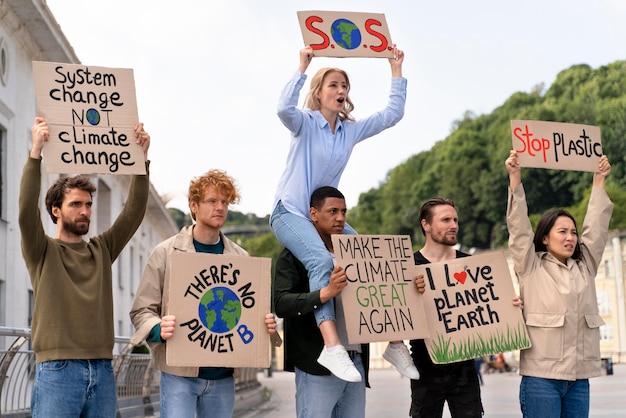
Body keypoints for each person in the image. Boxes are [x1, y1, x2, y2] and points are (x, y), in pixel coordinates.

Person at [270, 44, 417, 382]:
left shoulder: (350, 130)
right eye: (333, 85)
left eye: (345, 86)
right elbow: (282, 108)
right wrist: (302, 66)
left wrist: (396, 70)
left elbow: (392, 115)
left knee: (375, 258)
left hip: (323, 214)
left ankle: (395, 343)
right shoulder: (304, 122)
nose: (341, 91)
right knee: (322, 262)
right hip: (290, 212)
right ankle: (332, 345)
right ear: (318, 93)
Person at [19, 117, 151, 417]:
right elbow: (26, 212)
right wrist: (35, 153)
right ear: (56, 210)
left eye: (88, 204)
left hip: (103, 370)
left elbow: (133, 213)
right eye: (76, 204)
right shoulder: (42, 251)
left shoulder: (101, 249)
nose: (85, 211)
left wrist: (141, 161)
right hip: (57, 371)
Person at [130, 169, 277, 418]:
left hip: (223, 377)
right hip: (179, 374)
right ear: (194, 206)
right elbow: (142, 309)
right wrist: (158, 329)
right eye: (212, 201)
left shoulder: (242, 259)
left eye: (225, 202)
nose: (220, 207)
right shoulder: (165, 253)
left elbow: (249, 314)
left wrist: (266, 324)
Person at [505, 151, 613, 418]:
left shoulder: (586, 264)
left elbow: (596, 229)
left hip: (579, 380)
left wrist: (599, 181)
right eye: (562, 232)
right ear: (544, 238)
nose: (570, 238)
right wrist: (515, 178)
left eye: (573, 232)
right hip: (541, 379)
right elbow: (519, 228)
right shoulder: (530, 265)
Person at [273, 186, 369, 417]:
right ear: (313, 214)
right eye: (333, 211)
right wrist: (325, 293)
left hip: (355, 361)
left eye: (344, 212)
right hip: (316, 365)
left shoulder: (356, 253)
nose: (340, 218)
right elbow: (281, 304)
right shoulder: (293, 256)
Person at [409, 197, 485, 418]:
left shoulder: (471, 265)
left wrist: (508, 306)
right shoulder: (408, 266)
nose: (454, 225)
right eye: (446, 220)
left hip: (465, 369)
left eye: (455, 220)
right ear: (426, 225)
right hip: (425, 367)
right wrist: (411, 294)